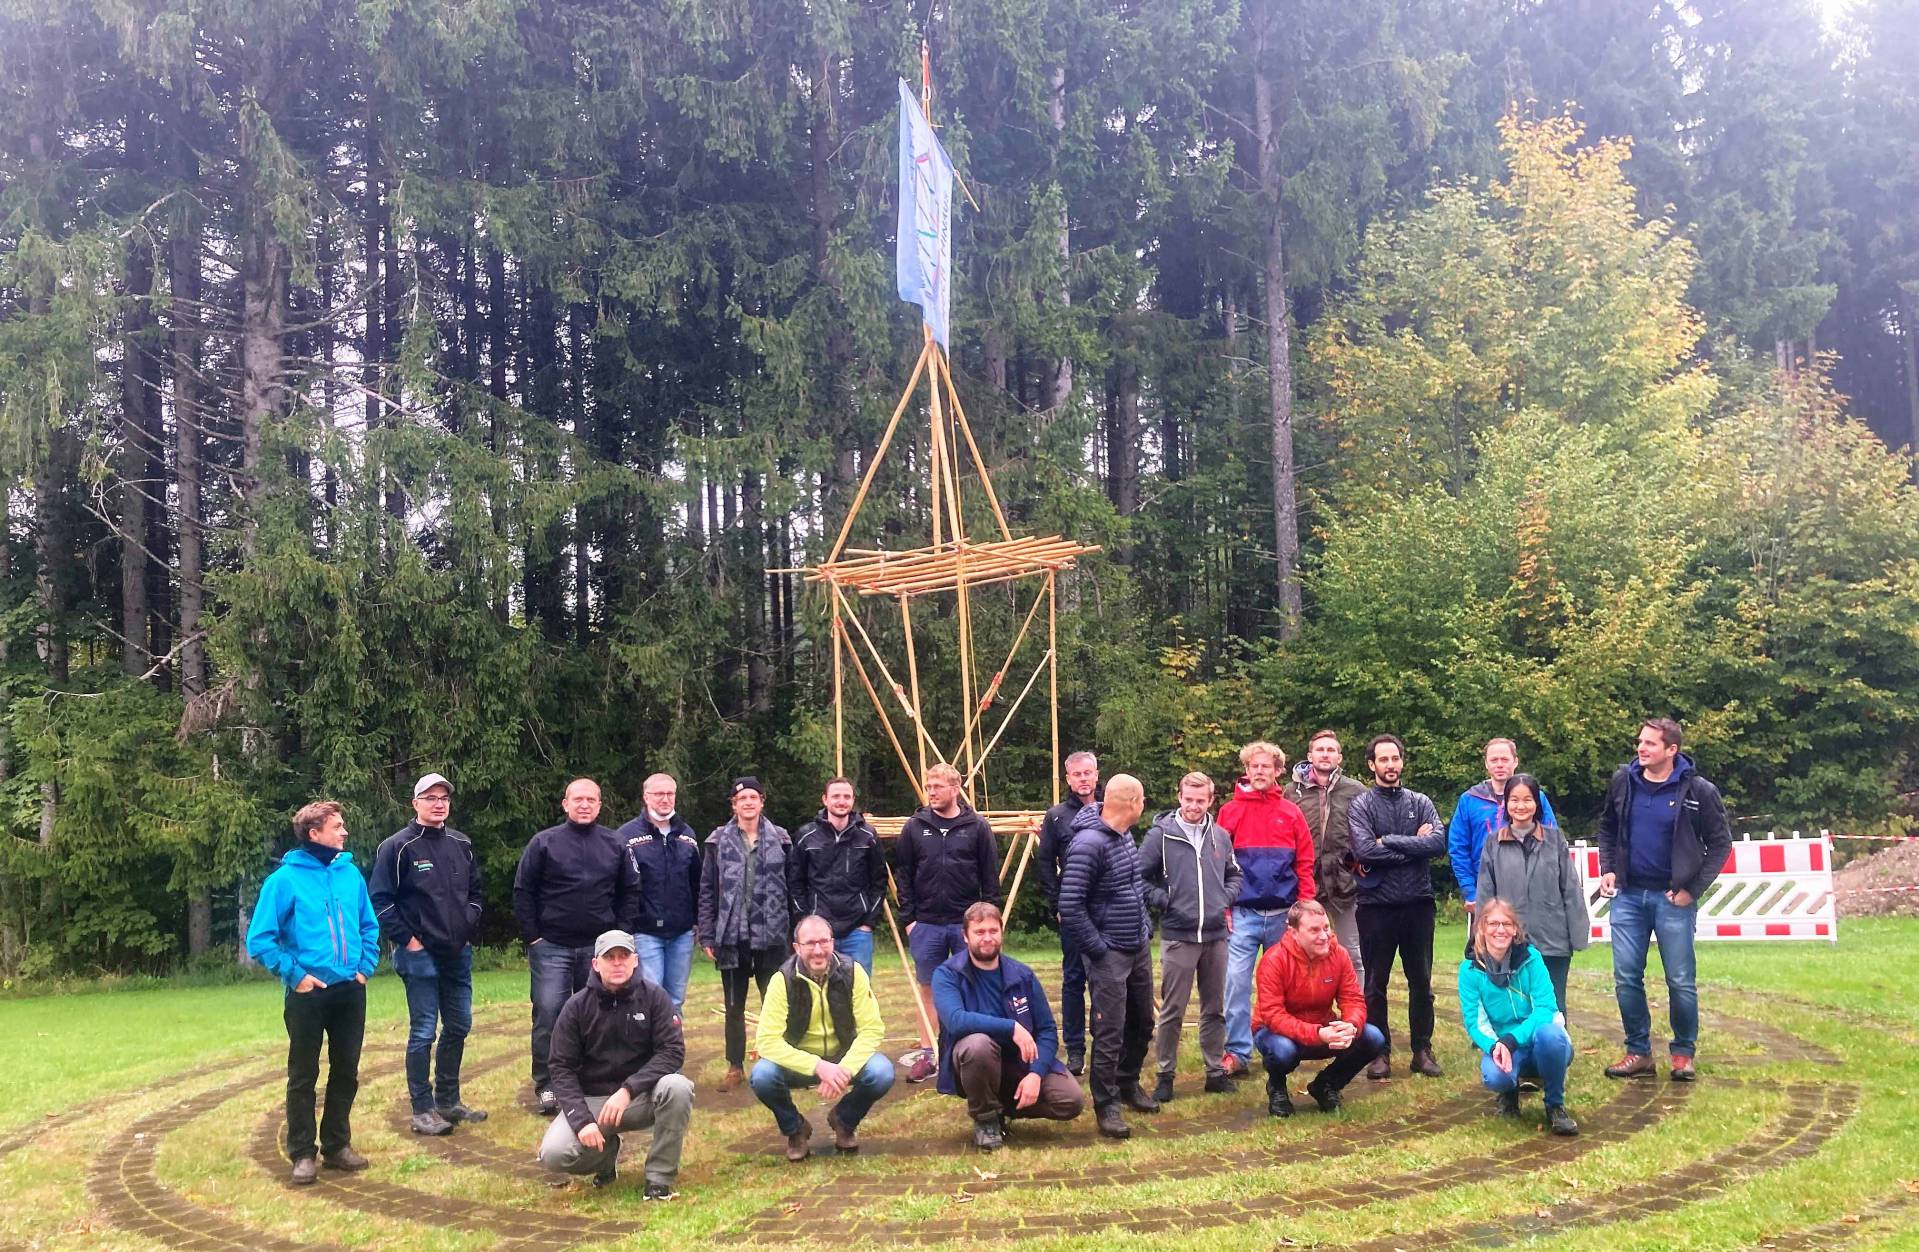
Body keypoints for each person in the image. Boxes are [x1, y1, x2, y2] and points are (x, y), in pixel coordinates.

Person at [246, 801, 380, 1185]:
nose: (344, 832)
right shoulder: (284, 881)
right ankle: (302, 1153)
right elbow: (261, 938)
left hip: (349, 990)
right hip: (308, 994)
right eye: (337, 826)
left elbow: (368, 925)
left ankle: (337, 1146)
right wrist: (295, 975)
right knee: (303, 1074)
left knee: (346, 1070)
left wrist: (364, 968)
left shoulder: (349, 874)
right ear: (314, 833)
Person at [1596, 717, 1732, 1083]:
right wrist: (1608, 867)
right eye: (1640, 742)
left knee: (1680, 980)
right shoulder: (1624, 781)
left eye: (1650, 744)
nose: (1641, 749)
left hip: (1673, 899)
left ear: (1672, 750)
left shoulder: (1698, 791)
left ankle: (1683, 1054)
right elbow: (1607, 828)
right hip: (1627, 896)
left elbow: (1721, 845)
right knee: (1626, 977)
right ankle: (1638, 1052)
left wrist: (1692, 889)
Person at [513, 777, 640, 1116]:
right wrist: (533, 937)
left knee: (598, 1016)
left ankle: (593, 1080)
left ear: (600, 805)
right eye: (578, 799)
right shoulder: (544, 843)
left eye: (592, 800)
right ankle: (547, 1085)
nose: (584, 805)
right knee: (549, 1014)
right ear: (565, 804)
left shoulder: (616, 844)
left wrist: (620, 936)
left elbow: (631, 891)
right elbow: (523, 891)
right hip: (551, 947)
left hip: (598, 950)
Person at [369, 773, 486, 1137]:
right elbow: (381, 901)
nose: (439, 803)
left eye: (444, 798)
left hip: (457, 953)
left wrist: (465, 928)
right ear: (415, 803)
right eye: (430, 797)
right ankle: (422, 1109)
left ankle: (448, 1101)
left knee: (459, 1025)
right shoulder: (398, 847)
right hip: (418, 954)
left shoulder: (461, 844)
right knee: (423, 1032)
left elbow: (477, 895)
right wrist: (410, 941)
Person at [537, 929, 694, 1198]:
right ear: (596, 964)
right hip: (593, 1101)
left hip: (642, 1096)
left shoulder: (655, 998)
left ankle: (659, 1178)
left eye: (624, 956)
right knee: (554, 1154)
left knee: (677, 1087)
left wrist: (628, 1090)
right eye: (610, 957)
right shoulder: (575, 1007)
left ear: (635, 960)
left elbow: (672, 1052)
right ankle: (606, 1155)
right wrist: (581, 1120)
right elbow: (561, 1067)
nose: (618, 963)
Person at [932, 902, 1085, 1150]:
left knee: (1071, 1100)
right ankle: (985, 1119)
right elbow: (956, 1021)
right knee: (977, 1045)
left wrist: (1036, 1074)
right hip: (975, 1064)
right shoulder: (948, 974)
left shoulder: (1022, 974)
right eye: (979, 932)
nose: (987, 938)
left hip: (1019, 1065)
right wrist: (1011, 1027)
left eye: (993, 931)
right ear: (965, 936)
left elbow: (1046, 1030)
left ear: (1002, 932)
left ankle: (1002, 1106)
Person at [1059, 773, 1157, 1139]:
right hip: (1109, 953)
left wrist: (1145, 928)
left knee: (1142, 1022)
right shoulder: (1088, 845)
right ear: (1132, 803)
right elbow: (1070, 905)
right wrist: (1099, 950)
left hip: (1137, 946)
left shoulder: (1124, 837)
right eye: (1143, 799)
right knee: (1109, 1030)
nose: (1143, 805)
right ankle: (1107, 1103)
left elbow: (1134, 887)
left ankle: (1128, 1083)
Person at [750, 915, 896, 1161]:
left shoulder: (853, 973)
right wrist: (818, 1066)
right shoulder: (781, 981)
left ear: (833, 942)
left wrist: (845, 1069)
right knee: (762, 1076)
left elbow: (872, 1029)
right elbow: (767, 1041)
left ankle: (844, 1121)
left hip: (842, 1056)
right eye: (810, 944)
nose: (818, 951)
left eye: (824, 942)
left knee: (882, 1072)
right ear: (796, 947)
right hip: (798, 1061)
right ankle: (795, 1129)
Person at [1139, 771, 1242, 1103]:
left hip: (1216, 935)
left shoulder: (1221, 836)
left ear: (1211, 800)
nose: (1194, 806)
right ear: (1179, 796)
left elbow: (1235, 874)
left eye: (1201, 800)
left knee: (1215, 1008)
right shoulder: (1161, 836)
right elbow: (1137, 877)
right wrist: (1163, 900)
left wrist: (1224, 898)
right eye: (1188, 799)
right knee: (1172, 1010)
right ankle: (1165, 1075)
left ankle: (1214, 1072)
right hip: (1179, 935)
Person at [1348, 734, 1446, 1080]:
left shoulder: (1420, 802)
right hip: (1376, 907)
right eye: (1383, 760)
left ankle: (1422, 1049)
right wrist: (1413, 845)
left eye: (1396, 759)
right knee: (1375, 984)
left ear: (1402, 761)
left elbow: (1436, 844)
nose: (1390, 765)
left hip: (1418, 904)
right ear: (1371, 765)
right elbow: (1364, 851)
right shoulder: (1361, 805)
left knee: (1422, 982)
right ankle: (1379, 1053)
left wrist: (1388, 840)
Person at [895, 762, 1001, 1083]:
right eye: (928, 787)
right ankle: (928, 1055)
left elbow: (989, 877)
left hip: (964, 924)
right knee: (928, 988)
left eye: (937, 787)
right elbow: (903, 874)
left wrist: (989, 918)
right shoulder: (915, 827)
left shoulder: (976, 827)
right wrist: (909, 919)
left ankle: (968, 1053)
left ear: (955, 789)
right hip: (926, 923)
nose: (931, 792)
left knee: (970, 986)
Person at [1217, 740, 1316, 1078]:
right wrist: (1224, 907)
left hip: (1283, 916)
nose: (1259, 771)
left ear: (1278, 771)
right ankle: (1237, 1052)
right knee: (1235, 984)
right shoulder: (1229, 812)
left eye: (1266, 766)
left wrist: (1303, 908)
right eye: (1253, 766)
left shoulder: (1292, 813)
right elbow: (1219, 865)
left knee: (1286, 986)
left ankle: (1284, 1045)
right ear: (1246, 770)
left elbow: (1304, 863)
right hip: (1242, 915)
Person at [696, 776, 797, 1091]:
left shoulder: (781, 839)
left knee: (776, 1002)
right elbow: (707, 889)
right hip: (732, 936)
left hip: (773, 935)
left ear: (762, 801)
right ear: (734, 805)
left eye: (754, 797)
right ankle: (735, 1065)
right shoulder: (716, 841)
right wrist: (707, 934)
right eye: (742, 799)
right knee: (734, 1006)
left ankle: (780, 1062)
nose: (748, 803)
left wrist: (796, 933)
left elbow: (794, 889)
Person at [1251, 900, 1384, 1117]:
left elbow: (1353, 999)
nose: (1323, 936)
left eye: (1326, 927)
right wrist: (1318, 1034)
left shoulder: (1339, 955)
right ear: (1293, 933)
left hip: (1322, 1027)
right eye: (1314, 930)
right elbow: (1273, 1015)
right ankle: (1277, 1087)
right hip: (1275, 1033)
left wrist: (1351, 1025)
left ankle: (1327, 1085)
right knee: (1283, 1052)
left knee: (1373, 1038)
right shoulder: (1273, 961)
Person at [1458, 898, 1579, 1136]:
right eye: (1493, 923)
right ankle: (1508, 1093)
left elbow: (1546, 1009)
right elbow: (1474, 1022)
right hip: (1503, 1046)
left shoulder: (1532, 959)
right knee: (1495, 1077)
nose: (1500, 930)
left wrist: (1512, 1039)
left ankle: (1555, 1105)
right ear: (1481, 928)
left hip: (1536, 1040)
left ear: (1515, 930)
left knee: (1553, 1036)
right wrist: (1495, 1046)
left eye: (1506, 924)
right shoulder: (1469, 971)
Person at [1477, 773, 1588, 1013]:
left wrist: (1578, 935)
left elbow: (1570, 888)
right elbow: (1486, 894)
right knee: (1514, 1005)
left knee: (1553, 1004)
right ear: (1506, 803)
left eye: (1527, 799)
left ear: (1537, 803)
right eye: (1514, 800)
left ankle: (1557, 1049)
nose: (1520, 806)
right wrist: (1482, 937)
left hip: (1552, 939)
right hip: (1508, 938)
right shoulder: (1493, 843)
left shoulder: (1555, 839)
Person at [1033, 750, 1101, 1073]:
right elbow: (1045, 862)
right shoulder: (1056, 816)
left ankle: (1105, 1043)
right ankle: (1075, 1050)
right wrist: (1058, 903)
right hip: (1073, 911)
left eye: (1088, 773)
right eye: (1077, 774)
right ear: (1069, 779)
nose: (1084, 779)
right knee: (1074, 980)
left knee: (1105, 979)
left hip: (1106, 911)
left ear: (1097, 775)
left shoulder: (1110, 810)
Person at [1447, 739, 1559, 928]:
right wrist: (1471, 892)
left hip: (1530, 890)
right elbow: (1458, 848)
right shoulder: (1469, 800)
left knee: (1531, 951)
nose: (1499, 764)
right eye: (1494, 759)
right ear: (1486, 764)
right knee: (1488, 952)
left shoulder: (1536, 798)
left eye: (1505, 759)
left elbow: (1551, 842)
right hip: (1486, 889)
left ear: (1515, 762)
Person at [1284, 728, 1368, 980]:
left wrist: (1358, 873)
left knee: (1353, 954)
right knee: (1302, 952)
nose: (1325, 754)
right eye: (1320, 750)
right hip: (1304, 883)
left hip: (1345, 884)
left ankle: (1356, 1014)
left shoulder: (1356, 790)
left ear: (1339, 757)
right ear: (1310, 756)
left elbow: (1369, 835)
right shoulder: (1290, 792)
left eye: (1331, 750)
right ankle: (1305, 1014)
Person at [617, 773, 701, 1008]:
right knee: (649, 998)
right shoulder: (627, 835)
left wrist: (698, 921)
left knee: (675, 1000)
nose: (665, 799)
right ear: (646, 797)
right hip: (644, 932)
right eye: (659, 794)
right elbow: (619, 885)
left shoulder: (687, 835)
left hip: (682, 934)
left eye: (670, 794)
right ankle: (647, 1045)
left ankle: (673, 1045)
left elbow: (696, 883)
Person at [791, 779, 887, 976]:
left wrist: (869, 922)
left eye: (846, 796)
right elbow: (794, 882)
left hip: (857, 931)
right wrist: (805, 920)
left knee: (858, 991)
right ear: (825, 800)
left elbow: (879, 880)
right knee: (818, 988)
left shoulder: (867, 836)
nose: (841, 801)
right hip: (818, 932)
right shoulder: (805, 836)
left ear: (852, 801)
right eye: (836, 796)